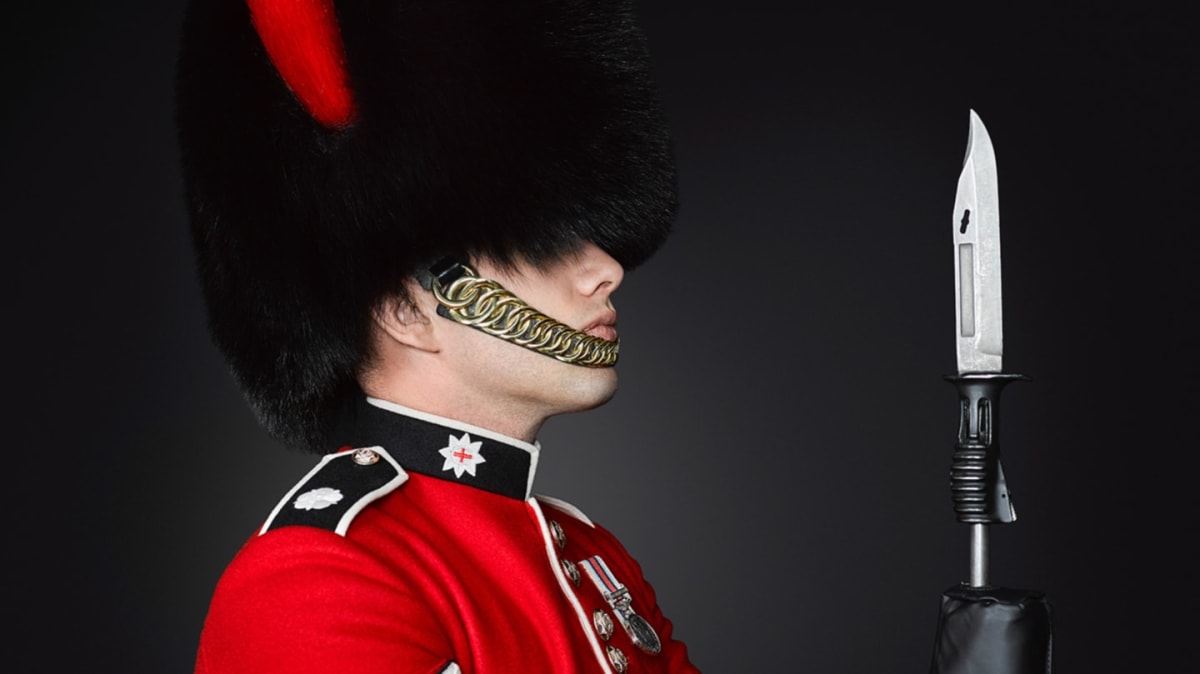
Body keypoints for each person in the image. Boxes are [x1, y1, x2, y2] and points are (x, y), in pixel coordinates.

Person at [175, 1, 700, 672]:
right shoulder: (321, 576)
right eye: (543, 241)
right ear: (407, 310)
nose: (608, 269)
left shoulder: (593, 555)